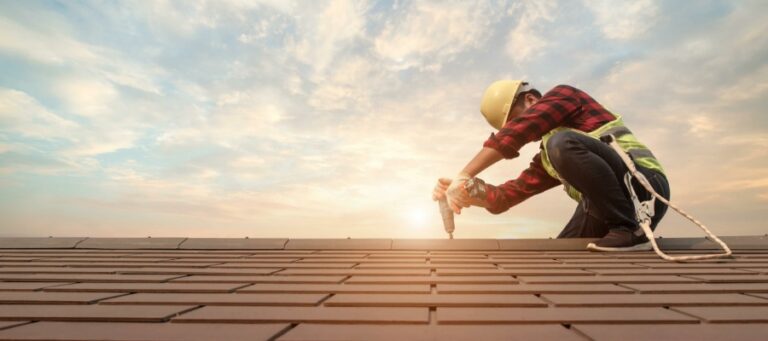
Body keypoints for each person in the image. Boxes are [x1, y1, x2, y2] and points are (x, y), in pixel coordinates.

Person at [432, 80, 670, 251]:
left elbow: (520, 131)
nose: (524, 128)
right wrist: (469, 191)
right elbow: (507, 196)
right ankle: (624, 231)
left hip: (643, 186)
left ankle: (629, 230)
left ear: (531, 99)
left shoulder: (566, 97)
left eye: (517, 119)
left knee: (561, 143)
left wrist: (464, 174)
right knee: (560, 255)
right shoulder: (551, 156)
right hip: (604, 209)